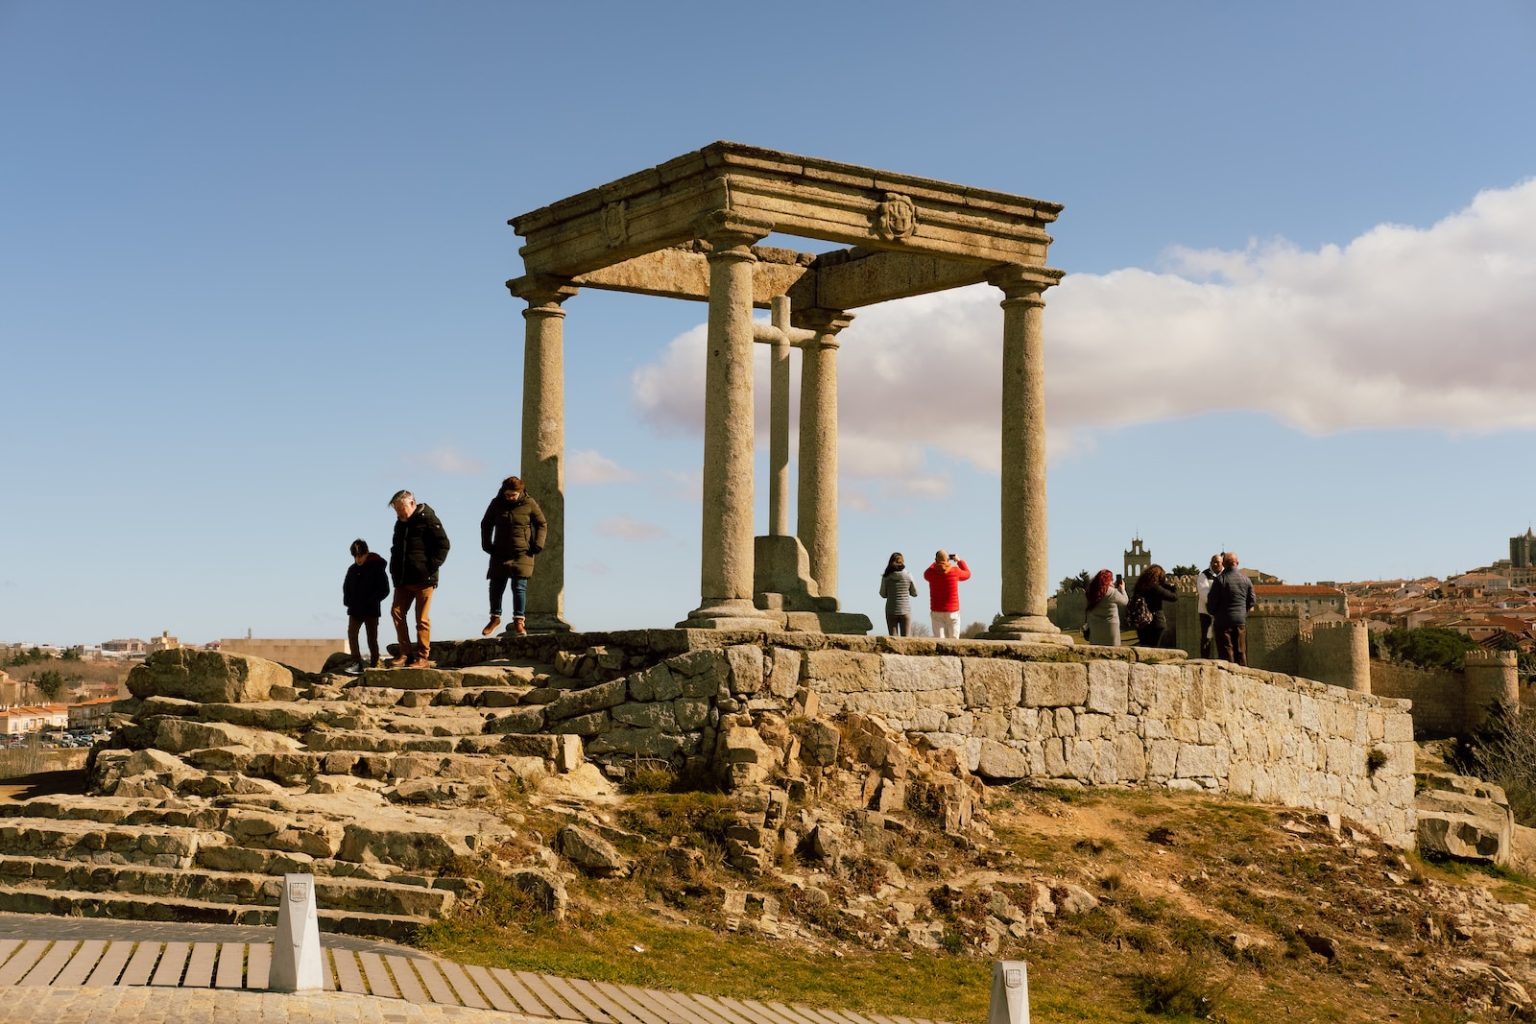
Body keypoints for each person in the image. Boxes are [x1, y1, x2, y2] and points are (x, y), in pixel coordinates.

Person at [386, 490, 450, 667]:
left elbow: (444, 545)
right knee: (396, 612)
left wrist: (429, 568)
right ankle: (405, 654)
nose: (399, 513)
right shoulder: (399, 524)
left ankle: (423, 657)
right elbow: (396, 550)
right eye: (396, 509)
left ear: (412, 504)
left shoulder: (428, 519)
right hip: (403, 580)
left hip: (424, 579)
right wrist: (394, 572)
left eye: (401, 508)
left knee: (421, 619)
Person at [479, 475, 546, 637]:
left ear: (520, 492)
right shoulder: (496, 503)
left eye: (513, 495)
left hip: (522, 552)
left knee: (519, 587)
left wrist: (538, 544)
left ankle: (519, 621)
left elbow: (541, 523)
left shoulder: (529, 503)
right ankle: (495, 618)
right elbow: (486, 523)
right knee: (495, 586)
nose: (510, 498)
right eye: (507, 495)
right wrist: (487, 544)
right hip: (499, 552)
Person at [341, 539, 390, 674]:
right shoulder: (352, 569)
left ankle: (375, 663)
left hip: (371, 609)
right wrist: (348, 601)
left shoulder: (377, 567)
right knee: (352, 634)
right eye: (355, 556)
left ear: (366, 553)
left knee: (371, 638)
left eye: (360, 556)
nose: (358, 559)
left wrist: (372, 601)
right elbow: (346, 588)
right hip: (355, 609)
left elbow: (385, 589)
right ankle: (356, 663)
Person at [1207, 551, 1257, 666]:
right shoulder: (1246, 580)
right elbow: (1252, 600)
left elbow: (1211, 603)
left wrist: (1215, 613)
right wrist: (1243, 612)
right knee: (1241, 651)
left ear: (1223, 564)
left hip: (1222, 622)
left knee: (1226, 652)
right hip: (1240, 621)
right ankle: (1244, 677)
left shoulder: (1220, 580)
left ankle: (1229, 677)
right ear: (1237, 563)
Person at [923, 549, 971, 638]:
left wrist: (936, 562)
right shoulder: (955, 571)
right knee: (954, 640)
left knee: (939, 640)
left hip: (937, 610)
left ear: (936, 560)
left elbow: (926, 572)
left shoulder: (930, 573)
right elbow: (968, 573)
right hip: (953, 611)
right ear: (948, 559)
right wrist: (959, 561)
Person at [1132, 564, 1178, 648]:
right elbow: (1174, 597)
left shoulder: (1139, 587)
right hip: (1156, 622)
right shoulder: (1155, 588)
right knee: (1155, 648)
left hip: (1142, 622)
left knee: (1144, 647)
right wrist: (1173, 587)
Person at [1084, 569, 1128, 646]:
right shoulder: (1113, 592)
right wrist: (1122, 590)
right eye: (1111, 580)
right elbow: (1125, 601)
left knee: (1096, 652)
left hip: (1095, 627)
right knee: (1113, 653)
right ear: (1108, 580)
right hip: (1111, 627)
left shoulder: (1091, 592)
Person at [879, 553, 919, 637]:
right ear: (902, 562)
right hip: (905, 610)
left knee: (893, 639)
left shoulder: (886, 577)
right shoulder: (908, 575)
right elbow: (915, 593)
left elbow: (882, 594)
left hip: (891, 610)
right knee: (906, 639)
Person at [1195, 554, 1222, 658]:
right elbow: (1204, 593)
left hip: (1221, 613)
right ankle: (1205, 660)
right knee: (1206, 638)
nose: (1215, 564)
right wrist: (1217, 606)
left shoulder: (1225, 574)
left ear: (1222, 563)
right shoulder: (1204, 575)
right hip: (1206, 612)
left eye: (1217, 562)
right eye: (1213, 562)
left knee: (1222, 637)